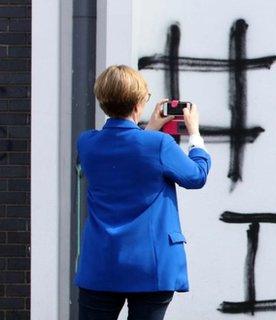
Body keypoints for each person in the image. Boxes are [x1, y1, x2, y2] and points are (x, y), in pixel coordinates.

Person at [74, 65, 211, 320]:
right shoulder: (159, 144)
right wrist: (195, 135)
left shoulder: (87, 143)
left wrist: (149, 129)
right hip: (151, 265)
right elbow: (196, 176)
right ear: (138, 103)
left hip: (101, 264)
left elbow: (125, 154)